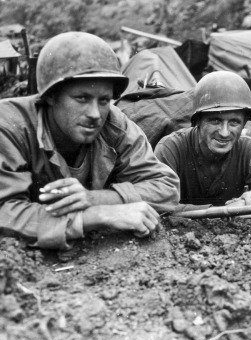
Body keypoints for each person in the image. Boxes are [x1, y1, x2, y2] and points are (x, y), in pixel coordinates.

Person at [0, 31, 180, 250]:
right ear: (50, 96)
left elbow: (166, 186)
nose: (95, 113)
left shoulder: (114, 124)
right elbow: (4, 212)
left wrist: (94, 198)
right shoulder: (9, 127)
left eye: (104, 100)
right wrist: (98, 214)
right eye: (82, 98)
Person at [154, 71, 251, 207]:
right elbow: (160, 204)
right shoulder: (171, 148)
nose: (224, 133)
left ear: (244, 124)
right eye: (215, 121)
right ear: (198, 120)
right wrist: (224, 211)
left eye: (234, 122)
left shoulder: (248, 149)